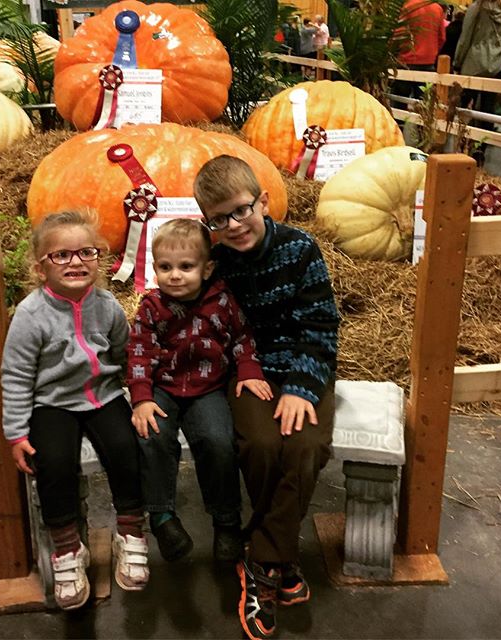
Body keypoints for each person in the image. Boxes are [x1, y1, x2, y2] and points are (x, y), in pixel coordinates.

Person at [193, 156, 339, 640]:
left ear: (264, 201)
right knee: (260, 444)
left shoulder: (301, 250)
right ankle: (283, 558)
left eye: (240, 211)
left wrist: (301, 388)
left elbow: (320, 326)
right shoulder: (217, 265)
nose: (232, 226)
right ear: (206, 222)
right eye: (218, 219)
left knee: (305, 446)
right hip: (248, 373)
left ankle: (261, 564)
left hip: (304, 364)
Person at [1, 210, 149, 610]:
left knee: (126, 448)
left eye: (86, 252)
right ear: (40, 267)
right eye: (61, 256)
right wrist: (15, 432)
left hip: (104, 394)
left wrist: (139, 397)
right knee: (53, 460)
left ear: (99, 259)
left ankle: (131, 532)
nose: (76, 262)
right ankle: (67, 549)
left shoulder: (108, 307)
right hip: (53, 403)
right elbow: (15, 375)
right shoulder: (31, 316)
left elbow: (126, 354)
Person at [126, 219, 272, 564]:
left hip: (208, 389)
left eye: (186, 267)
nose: (175, 275)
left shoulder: (222, 302)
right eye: (165, 267)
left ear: (206, 269)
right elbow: (138, 353)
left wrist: (249, 371)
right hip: (162, 387)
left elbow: (243, 339)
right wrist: (142, 398)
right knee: (153, 435)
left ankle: (226, 521)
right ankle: (162, 517)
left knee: (218, 439)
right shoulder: (151, 307)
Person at [454, 0, 501, 148]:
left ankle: (460, 145)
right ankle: (481, 150)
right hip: (495, 65)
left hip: (473, 63)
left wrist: (457, 62)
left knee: (462, 105)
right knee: (488, 110)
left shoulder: (477, 8)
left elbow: (465, 38)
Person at [393, 0, 446, 99]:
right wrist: (432, 52)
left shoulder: (407, 6)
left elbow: (399, 35)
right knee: (424, 103)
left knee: (400, 101)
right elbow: (442, 37)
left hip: (406, 62)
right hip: (428, 63)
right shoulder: (437, 8)